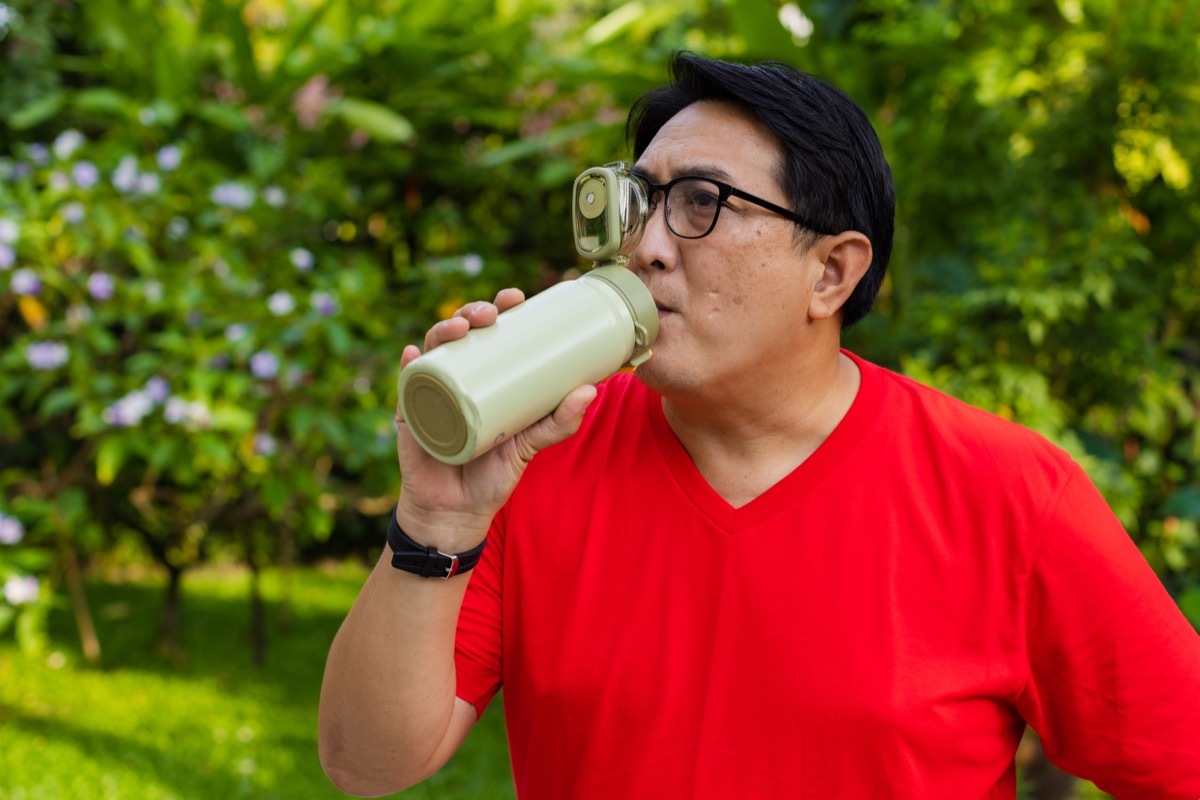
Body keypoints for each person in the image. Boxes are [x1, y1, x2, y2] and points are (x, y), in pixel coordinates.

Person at [318, 52, 1200, 799]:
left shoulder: (1009, 492)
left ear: (831, 274)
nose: (649, 245)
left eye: (702, 202)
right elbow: (365, 764)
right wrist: (435, 519)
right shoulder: (543, 449)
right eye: (640, 201)